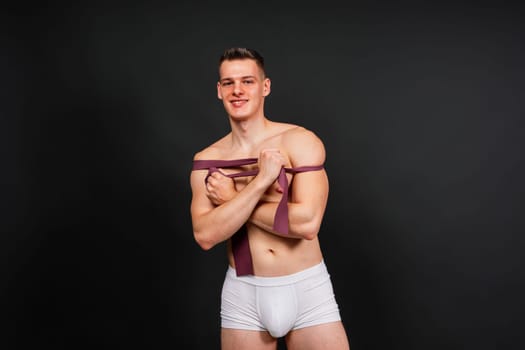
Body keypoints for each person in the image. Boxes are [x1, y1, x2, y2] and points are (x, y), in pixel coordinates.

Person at [190, 47, 350, 350]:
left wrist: (233, 198)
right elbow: (206, 235)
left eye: (248, 81)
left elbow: (307, 223)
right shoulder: (207, 159)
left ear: (265, 87)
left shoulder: (299, 141)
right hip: (244, 294)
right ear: (219, 91)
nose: (237, 90)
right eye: (228, 83)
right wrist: (262, 180)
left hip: (307, 289)